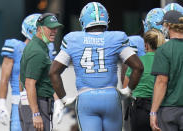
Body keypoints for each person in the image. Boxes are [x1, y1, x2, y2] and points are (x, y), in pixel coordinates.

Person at [49, 2, 144, 131]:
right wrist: (128, 90)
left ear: (83, 21)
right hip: (111, 97)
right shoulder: (117, 37)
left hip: (86, 98)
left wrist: (64, 99)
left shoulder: (73, 39)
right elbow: (138, 67)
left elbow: (53, 72)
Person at [0, 13, 43, 131]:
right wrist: (2, 104)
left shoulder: (47, 49)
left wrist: (57, 101)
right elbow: (4, 78)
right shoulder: (15, 47)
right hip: (19, 102)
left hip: (41, 103)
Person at [19, 13, 63, 131]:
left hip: (36, 102)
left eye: (55, 28)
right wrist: (35, 113)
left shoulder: (39, 46)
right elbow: (29, 83)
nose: (54, 31)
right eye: (50, 27)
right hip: (37, 103)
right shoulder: (37, 51)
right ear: (39, 29)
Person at [123, 29, 165, 131]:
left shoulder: (137, 62)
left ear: (146, 45)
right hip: (161, 108)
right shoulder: (166, 61)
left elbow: (125, 87)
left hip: (140, 109)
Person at [150, 10, 183, 131]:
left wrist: (153, 112)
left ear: (168, 26)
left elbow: (161, 81)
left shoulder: (164, 50)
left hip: (169, 109)